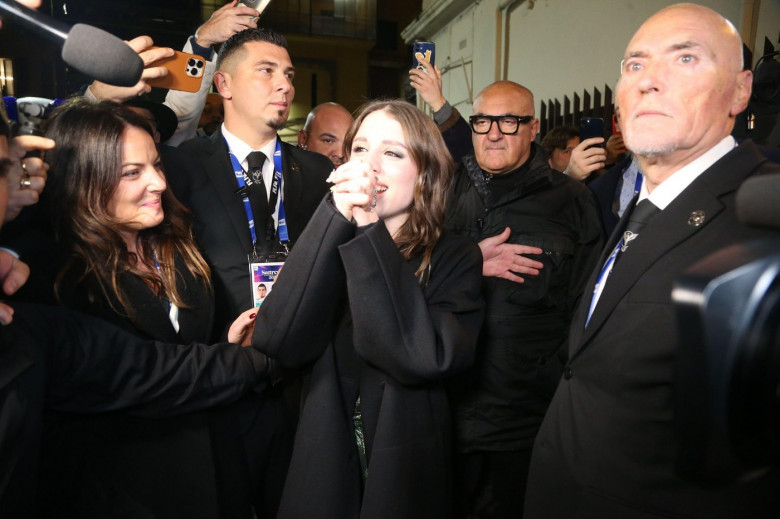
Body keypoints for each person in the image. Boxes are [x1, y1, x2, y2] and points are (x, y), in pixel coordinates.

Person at [525, 4, 780, 518]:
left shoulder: (764, 219)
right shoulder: (646, 201)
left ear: (740, 91)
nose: (648, 81)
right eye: (634, 65)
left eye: (685, 58)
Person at [249, 99, 484, 518]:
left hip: (402, 469)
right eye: (359, 149)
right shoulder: (325, 237)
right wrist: (332, 217)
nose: (369, 167)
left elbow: (423, 357)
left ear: (426, 173)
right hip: (322, 461)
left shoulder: (456, 255)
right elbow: (277, 339)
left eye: (392, 153)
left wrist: (371, 231)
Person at [36, 98, 261, 518]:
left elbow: (187, 350)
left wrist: (224, 342)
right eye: (132, 173)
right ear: (82, 181)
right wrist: (239, 361)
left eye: (156, 165)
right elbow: (138, 376)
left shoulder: (177, 245)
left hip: (212, 482)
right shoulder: (57, 277)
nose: (158, 182)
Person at [418, 78, 604, 518]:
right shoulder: (437, 190)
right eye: (482, 120)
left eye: (508, 121)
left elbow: (589, 308)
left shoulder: (572, 201)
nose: (493, 132)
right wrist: (466, 262)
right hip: (441, 407)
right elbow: (399, 281)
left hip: (526, 419)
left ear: (533, 127)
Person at [297, 102, 354, 167]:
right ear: (302, 139)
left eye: (348, 143)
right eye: (328, 141)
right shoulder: (284, 174)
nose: (340, 154)